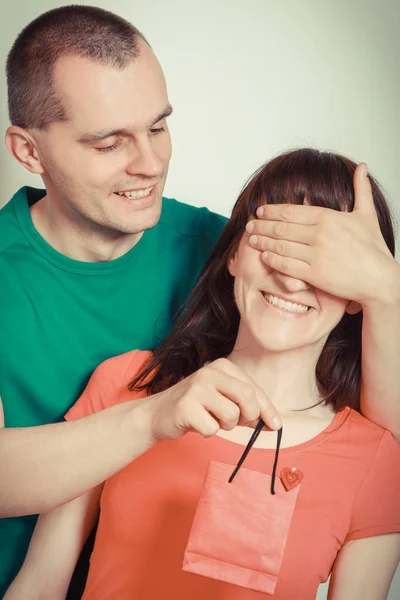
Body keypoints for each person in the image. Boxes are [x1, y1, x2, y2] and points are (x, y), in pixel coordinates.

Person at [1, 4, 399, 597]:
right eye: (111, 142)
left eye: (159, 127)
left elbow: (380, 453)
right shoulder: (124, 380)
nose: (152, 163)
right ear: (29, 152)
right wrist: (154, 415)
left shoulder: (228, 248)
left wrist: (385, 292)